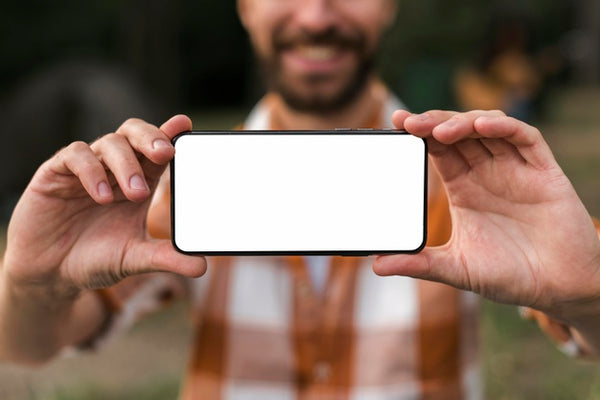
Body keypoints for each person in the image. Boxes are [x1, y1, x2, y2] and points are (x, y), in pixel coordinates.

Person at [1, 0, 599, 399]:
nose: (316, 15)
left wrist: (588, 295)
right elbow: (28, 347)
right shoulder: (180, 185)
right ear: (244, 6)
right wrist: (33, 282)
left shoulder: (474, 177)